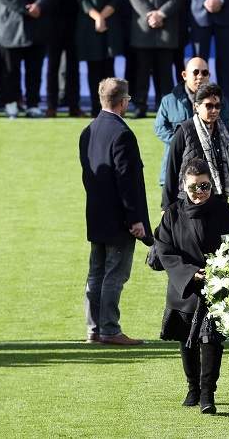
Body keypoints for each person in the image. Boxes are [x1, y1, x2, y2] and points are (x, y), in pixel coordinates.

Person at [155, 158, 229, 414]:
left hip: (218, 288)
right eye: (193, 187)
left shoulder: (226, 212)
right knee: (187, 341)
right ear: (184, 185)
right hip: (185, 289)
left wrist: (223, 271)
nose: (199, 193)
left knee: (211, 341)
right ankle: (192, 388)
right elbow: (164, 250)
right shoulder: (172, 214)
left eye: (204, 186)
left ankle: (207, 394)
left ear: (211, 184)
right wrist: (191, 273)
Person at [79, 77, 152, 346]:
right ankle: (109, 329)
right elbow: (127, 181)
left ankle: (94, 328)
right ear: (123, 102)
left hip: (96, 214)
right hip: (119, 219)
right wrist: (134, 219)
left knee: (96, 273)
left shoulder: (88, 131)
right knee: (114, 275)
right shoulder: (122, 134)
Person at [162, 83, 229, 217]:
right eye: (209, 106)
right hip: (190, 203)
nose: (214, 110)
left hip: (218, 201)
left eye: (217, 106)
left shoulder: (225, 133)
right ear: (196, 106)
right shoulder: (184, 131)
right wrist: (166, 206)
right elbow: (171, 170)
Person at [154, 58, 229, 186]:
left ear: (209, 76)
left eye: (204, 73)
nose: (200, 76)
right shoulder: (169, 101)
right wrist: (183, 143)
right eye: (195, 72)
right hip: (177, 169)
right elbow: (160, 128)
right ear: (184, 75)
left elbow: (227, 130)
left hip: (212, 172)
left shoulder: (221, 102)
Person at [74, 0, 124, 118]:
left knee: (108, 68)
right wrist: (96, 17)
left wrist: (103, 17)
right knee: (93, 68)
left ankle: (111, 107)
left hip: (109, 26)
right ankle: (96, 108)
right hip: (89, 27)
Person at [46, 0, 81, 118]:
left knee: (73, 67)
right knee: (53, 67)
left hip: (75, 23)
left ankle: (73, 106)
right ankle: (51, 105)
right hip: (53, 25)